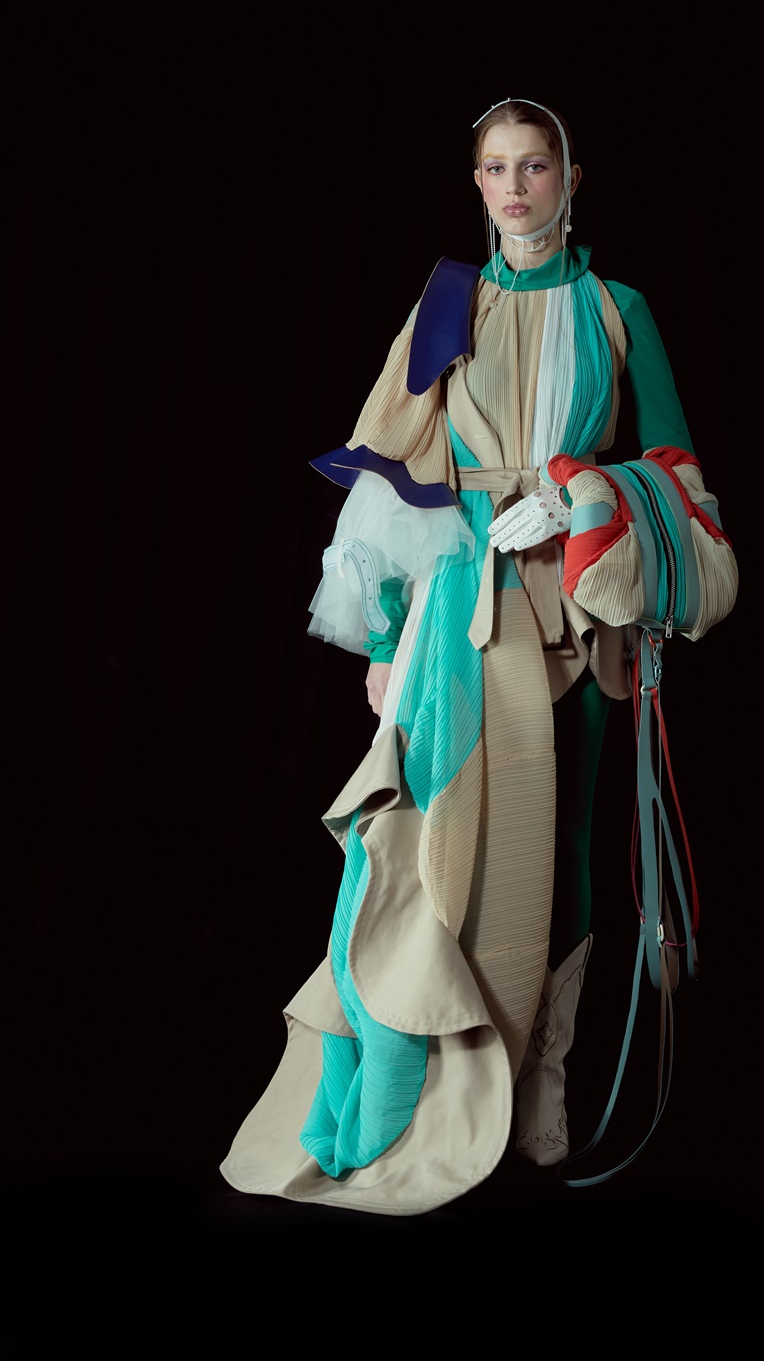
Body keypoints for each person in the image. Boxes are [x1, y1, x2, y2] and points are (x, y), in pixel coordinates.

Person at [221, 98, 718, 1216]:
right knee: (433, 834)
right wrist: (384, 638)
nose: (515, 188)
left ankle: (542, 1081)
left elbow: (679, 468)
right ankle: (441, 1068)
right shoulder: (446, 303)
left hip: (577, 602)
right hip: (457, 603)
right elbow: (398, 471)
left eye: (534, 166)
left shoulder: (617, 307)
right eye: (496, 168)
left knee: (569, 836)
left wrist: (584, 500)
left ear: (571, 178)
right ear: (477, 182)